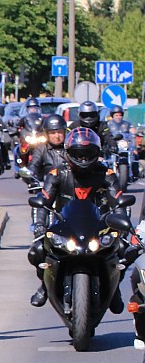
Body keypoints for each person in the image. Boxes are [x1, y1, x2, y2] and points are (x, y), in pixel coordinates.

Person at [28, 127, 125, 311]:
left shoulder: (107, 174)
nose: (83, 159)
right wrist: (40, 225)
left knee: (123, 249)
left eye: (88, 154)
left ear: (96, 153)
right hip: (63, 226)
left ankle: (115, 289)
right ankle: (44, 286)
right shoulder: (57, 174)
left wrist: (121, 223)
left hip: (99, 227)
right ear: (68, 153)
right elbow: (44, 201)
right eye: (78, 154)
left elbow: (118, 202)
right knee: (37, 251)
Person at [28, 114, 67, 187]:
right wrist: (31, 174)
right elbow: (34, 164)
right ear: (46, 134)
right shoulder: (42, 148)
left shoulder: (70, 147)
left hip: (70, 186)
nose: (57, 136)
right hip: (48, 187)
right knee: (38, 198)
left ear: (64, 132)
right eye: (53, 133)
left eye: (60, 132)